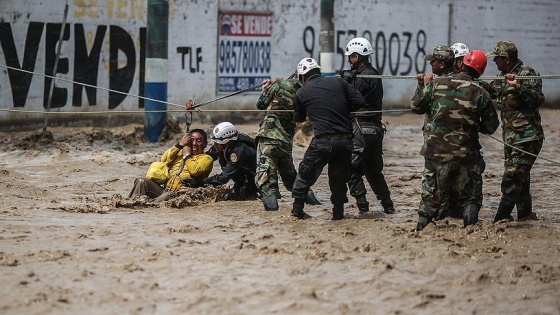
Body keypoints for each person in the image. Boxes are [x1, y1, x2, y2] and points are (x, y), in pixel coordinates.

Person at [411, 50, 499, 231]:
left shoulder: (436, 84)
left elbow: (416, 106)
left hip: (435, 153)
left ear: (462, 64)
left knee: (429, 198)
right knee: (470, 198)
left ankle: (419, 233)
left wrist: (422, 86)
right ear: (480, 71)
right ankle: (471, 234)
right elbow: (491, 126)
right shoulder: (480, 92)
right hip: (466, 155)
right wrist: (474, 126)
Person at [291, 58, 365, 220]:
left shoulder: (302, 92)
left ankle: (297, 213)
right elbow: (360, 101)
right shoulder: (340, 83)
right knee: (339, 181)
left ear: (303, 77)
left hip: (322, 142)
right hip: (346, 142)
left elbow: (300, 119)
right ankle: (338, 216)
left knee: (305, 173)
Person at [485, 40, 545, 222]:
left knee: (511, 179)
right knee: (521, 179)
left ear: (506, 59)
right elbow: (489, 91)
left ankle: (500, 220)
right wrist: (465, 80)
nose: (494, 61)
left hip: (527, 137)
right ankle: (526, 218)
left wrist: (518, 87)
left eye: (497, 58)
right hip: (510, 138)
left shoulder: (528, 74)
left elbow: (538, 99)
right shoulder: (502, 76)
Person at [342, 37, 394, 215]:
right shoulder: (374, 74)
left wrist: (345, 81)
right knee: (374, 172)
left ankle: (363, 207)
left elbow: (350, 98)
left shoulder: (362, 77)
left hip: (360, 128)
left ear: (356, 56)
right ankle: (388, 205)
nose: (349, 60)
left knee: (351, 169)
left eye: (350, 57)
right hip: (376, 129)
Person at [255, 76, 321, 211]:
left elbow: (261, 104)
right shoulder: (306, 92)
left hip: (269, 137)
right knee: (292, 180)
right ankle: (318, 206)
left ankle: (271, 215)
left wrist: (266, 89)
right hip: (286, 142)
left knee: (266, 182)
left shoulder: (280, 84)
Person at [128, 129, 214, 199]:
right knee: (141, 182)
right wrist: (179, 145)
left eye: (199, 141)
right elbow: (164, 159)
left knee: (166, 196)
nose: (194, 144)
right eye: (191, 140)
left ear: (205, 144)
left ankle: (151, 209)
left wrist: (187, 155)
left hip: (182, 195)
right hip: (165, 190)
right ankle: (130, 207)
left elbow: (196, 171)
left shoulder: (206, 158)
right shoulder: (179, 153)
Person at [185, 122, 258, 201]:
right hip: (241, 178)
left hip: (253, 179)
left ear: (227, 142)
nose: (215, 145)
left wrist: (199, 182)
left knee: (239, 197)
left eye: (218, 143)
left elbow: (223, 178)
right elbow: (207, 157)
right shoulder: (220, 146)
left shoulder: (238, 152)